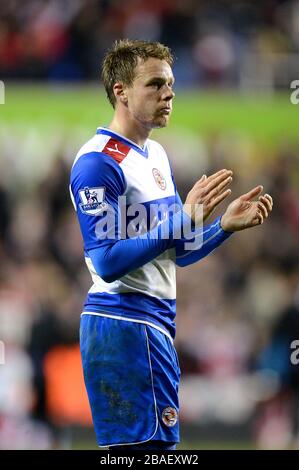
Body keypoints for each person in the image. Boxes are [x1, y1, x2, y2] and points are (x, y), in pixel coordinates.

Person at [69, 39, 273, 450]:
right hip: (124, 324)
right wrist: (182, 219)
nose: (169, 94)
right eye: (156, 84)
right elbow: (106, 262)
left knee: (149, 451)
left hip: (153, 325)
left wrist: (222, 228)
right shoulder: (97, 163)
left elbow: (177, 250)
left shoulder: (156, 156)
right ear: (120, 91)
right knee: (150, 453)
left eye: (172, 85)